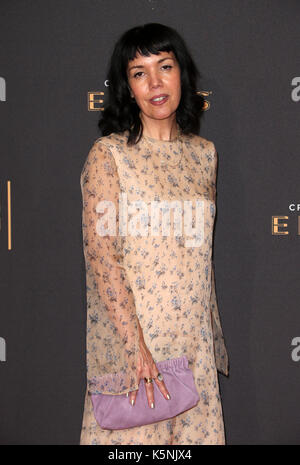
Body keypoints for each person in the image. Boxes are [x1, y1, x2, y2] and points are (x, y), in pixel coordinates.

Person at [79, 22, 229, 445]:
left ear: (183, 72)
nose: (156, 83)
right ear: (127, 87)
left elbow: (199, 256)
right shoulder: (109, 157)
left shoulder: (204, 156)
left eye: (165, 66)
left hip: (192, 346)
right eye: (139, 72)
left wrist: (211, 340)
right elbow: (103, 256)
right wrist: (135, 347)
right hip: (139, 346)